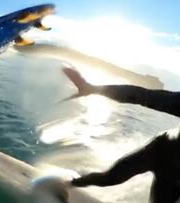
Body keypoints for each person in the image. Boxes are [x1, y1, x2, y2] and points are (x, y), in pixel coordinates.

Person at [62, 67, 180, 203]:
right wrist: (93, 89)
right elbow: (142, 95)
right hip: (158, 153)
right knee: (109, 178)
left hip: (174, 177)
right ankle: (67, 184)